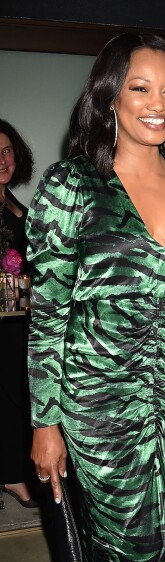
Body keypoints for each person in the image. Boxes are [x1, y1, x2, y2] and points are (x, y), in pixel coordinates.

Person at [25, 33, 165, 562]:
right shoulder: (73, 186)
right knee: (128, 555)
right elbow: (48, 317)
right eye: (140, 88)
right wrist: (45, 423)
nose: (158, 104)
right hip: (102, 407)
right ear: (110, 97)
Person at [0, 119, 39, 510]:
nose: (1, 159)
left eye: (7, 150)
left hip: (17, 316)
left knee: (19, 394)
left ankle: (12, 471)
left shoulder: (13, 203)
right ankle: (11, 476)